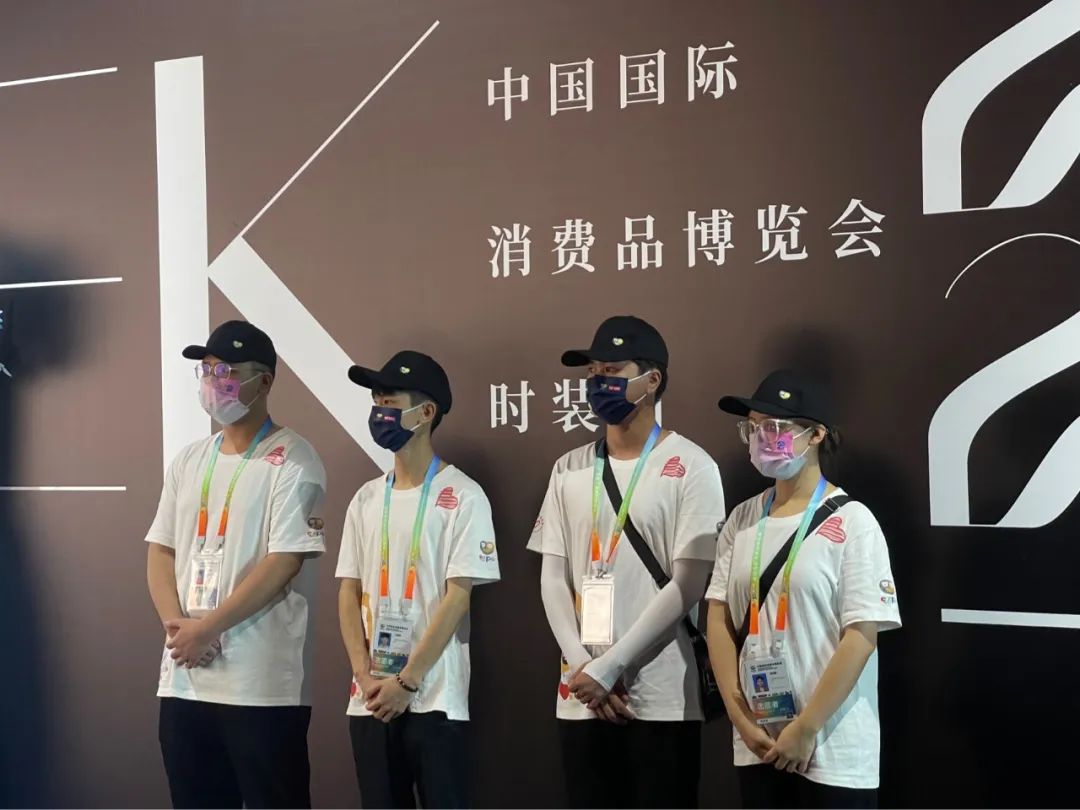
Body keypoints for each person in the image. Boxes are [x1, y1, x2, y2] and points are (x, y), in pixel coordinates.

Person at [528, 315, 725, 809]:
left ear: (651, 380)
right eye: (592, 373)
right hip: (580, 695)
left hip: (661, 697)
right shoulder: (568, 468)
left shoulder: (692, 466)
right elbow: (552, 577)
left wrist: (612, 665)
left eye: (612, 371)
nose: (598, 383)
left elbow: (689, 583)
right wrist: (584, 667)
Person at [145, 320, 327, 809]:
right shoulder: (190, 460)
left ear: (263, 381)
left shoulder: (294, 459)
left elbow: (285, 560)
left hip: (259, 686)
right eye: (206, 370)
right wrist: (179, 628)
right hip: (184, 679)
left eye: (225, 371)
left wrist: (210, 628)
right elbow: (161, 550)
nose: (212, 381)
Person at [706, 370, 902, 809]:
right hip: (758, 741)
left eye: (776, 427)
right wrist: (740, 718)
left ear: (815, 435)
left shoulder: (853, 521)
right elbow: (718, 618)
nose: (762, 437)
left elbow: (861, 636)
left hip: (832, 749)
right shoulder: (742, 519)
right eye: (754, 426)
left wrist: (807, 726)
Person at [337, 351, 500, 809]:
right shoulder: (366, 498)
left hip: (434, 699)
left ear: (426, 413)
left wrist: (407, 682)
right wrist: (364, 676)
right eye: (376, 401)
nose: (379, 411)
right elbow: (348, 591)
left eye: (390, 401)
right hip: (370, 699)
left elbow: (458, 597)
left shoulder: (464, 496)